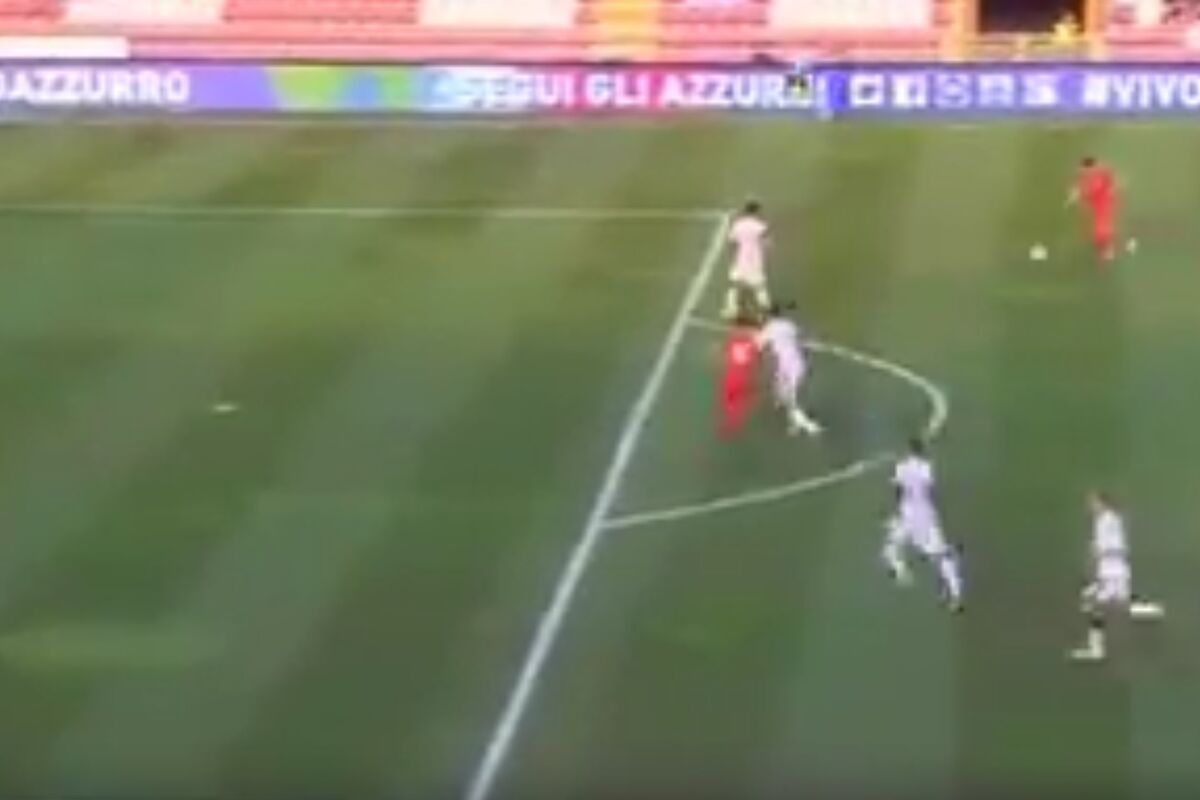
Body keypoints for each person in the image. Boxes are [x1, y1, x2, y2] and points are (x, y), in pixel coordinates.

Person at [1070, 491, 1164, 662]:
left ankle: (1096, 650)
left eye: (1093, 503)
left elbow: (1103, 549)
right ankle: (1152, 611)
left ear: (1102, 503)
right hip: (1117, 570)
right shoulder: (1112, 519)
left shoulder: (1104, 521)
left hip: (1110, 572)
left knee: (1094, 605)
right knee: (1116, 605)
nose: (1090, 507)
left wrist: (1092, 568)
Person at [882, 437, 964, 612]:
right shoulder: (926, 467)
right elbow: (930, 491)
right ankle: (955, 593)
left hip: (907, 515)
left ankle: (901, 573)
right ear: (920, 450)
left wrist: (898, 509)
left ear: (909, 450)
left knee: (891, 548)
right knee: (938, 556)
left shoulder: (901, 467)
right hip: (924, 516)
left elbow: (897, 491)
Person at [755, 302, 821, 436]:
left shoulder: (769, 329)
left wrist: (757, 339)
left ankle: (809, 426)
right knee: (782, 391)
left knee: (790, 400)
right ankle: (795, 421)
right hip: (797, 365)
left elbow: (759, 345)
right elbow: (801, 341)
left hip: (789, 368)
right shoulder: (789, 325)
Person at [722, 200, 771, 320]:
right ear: (756, 211)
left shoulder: (738, 225)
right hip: (755, 261)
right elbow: (767, 243)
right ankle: (764, 310)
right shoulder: (760, 226)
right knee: (759, 287)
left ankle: (731, 310)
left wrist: (731, 257)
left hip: (740, 260)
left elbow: (731, 242)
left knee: (734, 286)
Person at [1068, 156, 1119, 263]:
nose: (1081, 171)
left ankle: (1107, 250)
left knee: (1102, 230)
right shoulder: (1088, 177)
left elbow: (1089, 191)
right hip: (1098, 204)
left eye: (1083, 169)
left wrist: (1078, 195)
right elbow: (1081, 189)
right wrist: (1076, 193)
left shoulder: (1098, 176)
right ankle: (1104, 250)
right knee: (1099, 230)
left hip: (1103, 204)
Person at [719, 315, 758, 438]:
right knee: (737, 400)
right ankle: (734, 421)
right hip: (744, 376)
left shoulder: (733, 340)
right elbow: (754, 360)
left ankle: (729, 423)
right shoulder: (751, 343)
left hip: (732, 375)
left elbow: (725, 354)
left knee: (729, 399)